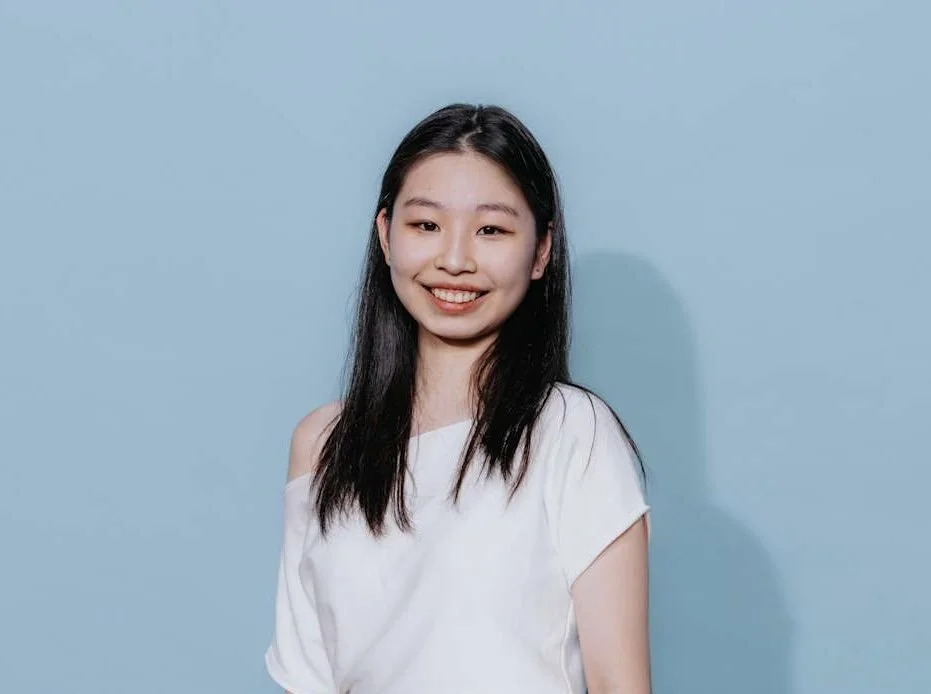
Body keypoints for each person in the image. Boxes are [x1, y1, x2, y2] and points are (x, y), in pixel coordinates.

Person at [264, 103, 652, 694]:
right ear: (385, 235)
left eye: (491, 230)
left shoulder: (573, 431)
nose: (454, 260)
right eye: (426, 225)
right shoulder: (323, 444)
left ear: (541, 250)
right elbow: (310, 680)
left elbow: (620, 685)